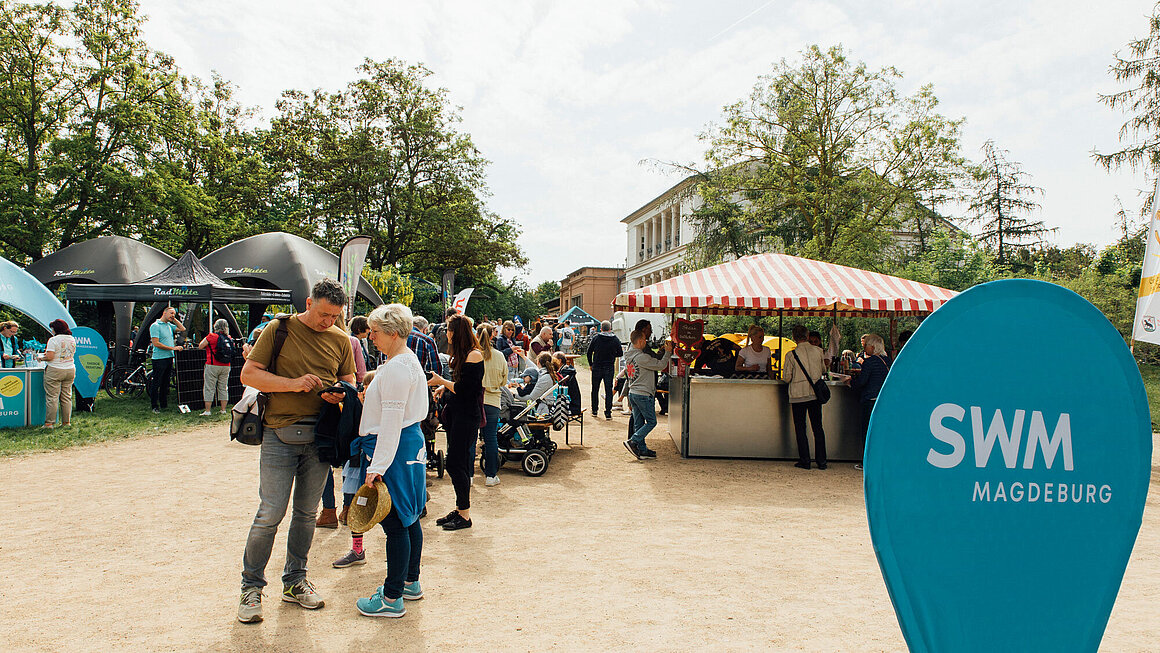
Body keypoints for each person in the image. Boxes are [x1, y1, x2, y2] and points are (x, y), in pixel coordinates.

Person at [236, 278, 356, 624]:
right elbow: (250, 374)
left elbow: (349, 380)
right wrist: (294, 384)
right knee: (270, 513)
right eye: (323, 314)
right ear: (308, 303)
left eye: (335, 316)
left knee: (306, 514)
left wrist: (340, 393)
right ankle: (251, 587)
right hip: (279, 433)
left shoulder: (340, 339)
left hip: (321, 437)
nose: (328, 322)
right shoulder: (278, 329)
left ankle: (295, 580)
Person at [353, 304, 429, 618]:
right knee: (408, 517)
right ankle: (409, 582)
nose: (371, 337)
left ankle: (392, 596)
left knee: (396, 521)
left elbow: (391, 421)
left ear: (393, 333)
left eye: (375, 331)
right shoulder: (405, 362)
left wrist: (377, 466)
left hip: (394, 448)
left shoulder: (398, 367)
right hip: (405, 445)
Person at [427, 313, 483, 531]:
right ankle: (460, 509)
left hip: (466, 417)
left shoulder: (474, 356)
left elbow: (465, 389)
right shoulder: (465, 354)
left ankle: (465, 514)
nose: (446, 334)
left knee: (455, 463)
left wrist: (442, 381)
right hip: (458, 415)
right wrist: (444, 386)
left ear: (456, 332)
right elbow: (459, 384)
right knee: (455, 462)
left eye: (448, 330)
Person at [783, 324, 827, 470]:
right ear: (807, 336)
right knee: (817, 427)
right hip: (815, 394)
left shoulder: (791, 355)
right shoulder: (819, 351)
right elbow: (823, 370)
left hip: (798, 395)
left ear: (794, 338)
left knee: (801, 428)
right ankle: (822, 461)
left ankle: (805, 460)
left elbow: (787, 377)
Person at [622, 329, 671, 460]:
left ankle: (642, 450)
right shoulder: (642, 357)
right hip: (643, 394)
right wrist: (668, 352)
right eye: (645, 340)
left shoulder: (628, 355)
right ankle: (633, 441)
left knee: (639, 423)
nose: (646, 342)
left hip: (633, 392)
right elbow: (660, 365)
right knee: (651, 422)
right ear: (639, 341)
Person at [849, 333, 890, 471]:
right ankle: (880, 461)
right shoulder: (888, 361)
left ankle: (866, 462)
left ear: (872, 347)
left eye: (866, 345)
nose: (864, 347)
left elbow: (862, 382)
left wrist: (850, 382)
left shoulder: (870, 362)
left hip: (870, 400)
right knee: (880, 432)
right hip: (883, 401)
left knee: (867, 432)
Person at [478, 323, 508, 487]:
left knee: (470, 439)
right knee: (491, 439)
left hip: (475, 401)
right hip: (493, 400)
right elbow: (504, 379)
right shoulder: (499, 356)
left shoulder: (473, 355)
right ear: (492, 335)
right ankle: (491, 475)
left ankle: (468, 476)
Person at [37, 319, 76, 428]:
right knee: (66, 397)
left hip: (55, 369)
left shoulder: (53, 340)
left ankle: (49, 423)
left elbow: (50, 357)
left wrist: (41, 358)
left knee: (52, 397)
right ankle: (66, 422)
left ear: (55, 329)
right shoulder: (72, 339)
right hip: (70, 369)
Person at [148, 307, 186, 414]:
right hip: (159, 359)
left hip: (169, 358)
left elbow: (182, 329)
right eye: (171, 313)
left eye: (174, 313)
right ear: (164, 313)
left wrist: (174, 319)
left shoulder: (169, 325)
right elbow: (156, 343)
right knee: (157, 383)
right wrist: (173, 348)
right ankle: (154, 406)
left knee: (165, 383)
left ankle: (164, 404)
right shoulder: (155, 326)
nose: (172, 315)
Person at [586, 320, 622, 419]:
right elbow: (620, 353)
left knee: (595, 389)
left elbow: (589, 352)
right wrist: (612, 355)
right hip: (609, 366)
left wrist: (591, 364)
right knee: (608, 390)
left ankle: (594, 410)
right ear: (610, 328)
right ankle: (608, 412)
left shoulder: (596, 338)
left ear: (601, 328)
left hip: (597, 366)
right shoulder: (615, 339)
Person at [198, 319, 233, 416]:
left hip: (212, 364)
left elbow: (201, 346)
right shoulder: (229, 337)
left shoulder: (211, 336)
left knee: (209, 387)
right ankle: (223, 409)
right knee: (223, 387)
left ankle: (208, 410)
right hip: (226, 365)